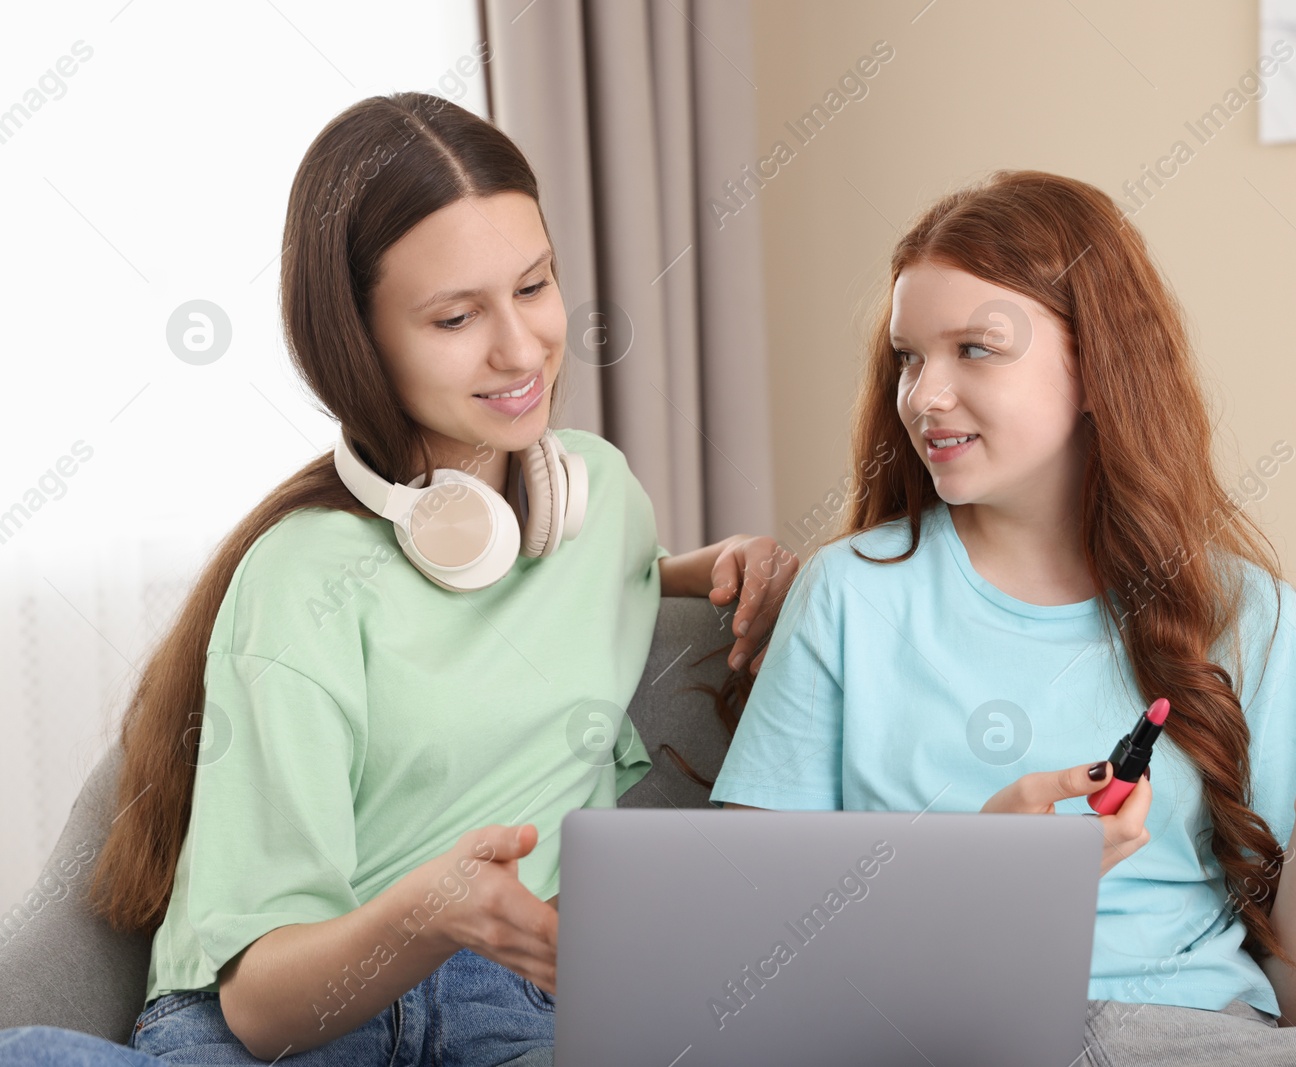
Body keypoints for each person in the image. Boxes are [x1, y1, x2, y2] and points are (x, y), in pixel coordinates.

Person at [708, 170, 1296, 1065]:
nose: (925, 395)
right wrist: (975, 884)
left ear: (1099, 367)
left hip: (1199, 1040)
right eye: (909, 355)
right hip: (941, 1030)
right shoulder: (850, 593)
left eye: (974, 349)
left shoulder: (1244, 611)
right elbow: (733, 939)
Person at [0, 91, 796, 1066]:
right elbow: (260, 1009)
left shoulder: (600, 505)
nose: (519, 347)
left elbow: (612, 588)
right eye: (457, 315)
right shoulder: (301, 578)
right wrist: (430, 909)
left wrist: (718, 563)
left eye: (535, 285)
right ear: (358, 339)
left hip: (509, 1014)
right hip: (291, 1038)